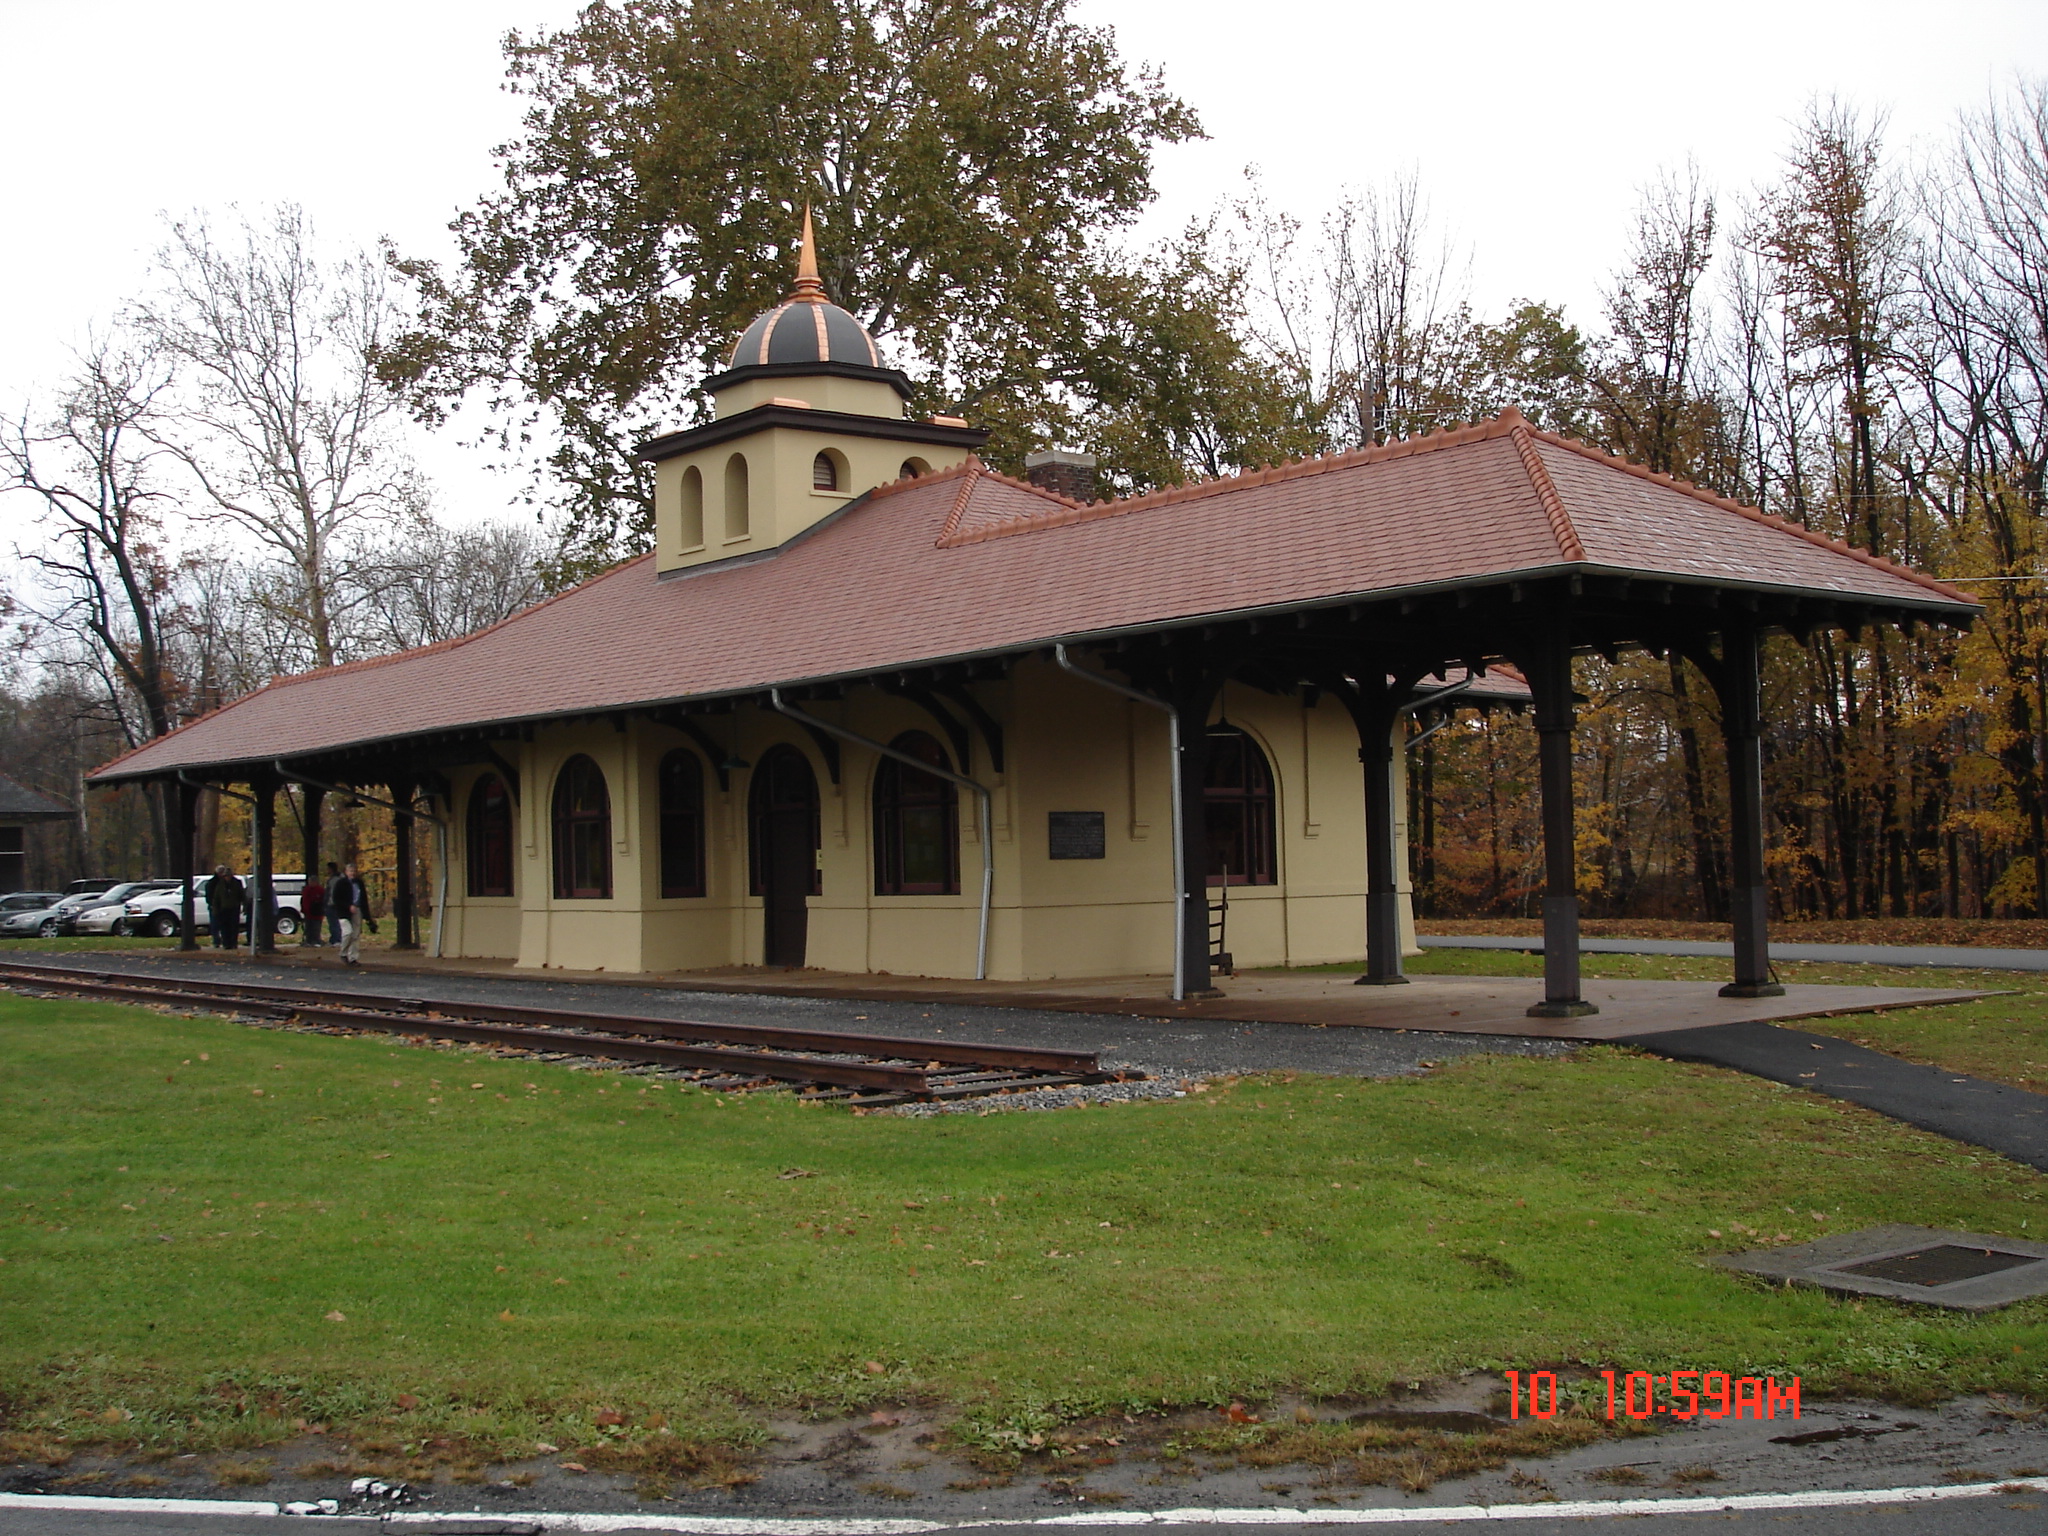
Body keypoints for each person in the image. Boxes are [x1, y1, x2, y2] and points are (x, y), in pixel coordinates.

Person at [331, 861, 369, 966]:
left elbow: (363, 899)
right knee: (348, 932)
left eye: (354, 871)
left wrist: (367, 916)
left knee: (356, 935)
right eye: (350, 871)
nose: (352, 873)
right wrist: (348, 906)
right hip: (343, 912)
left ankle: (353, 958)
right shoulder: (341, 883)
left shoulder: (359, 883)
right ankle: (343, 952)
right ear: (346, 872)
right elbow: (336, 899)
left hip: (357, 910)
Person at [203, 864, 245, 951]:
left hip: (234, 908)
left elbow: (241, 895)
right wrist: (215, 908)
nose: (227, 878)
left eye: (228, 876)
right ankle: (226, 943)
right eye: (226, 876)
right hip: (223, 908)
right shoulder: (220, 885)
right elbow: (216, 897)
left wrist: (243, 904)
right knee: (224, 927)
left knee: (234, 927)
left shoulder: (237, 883)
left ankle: (233, 943)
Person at [298, 871, 325, 946]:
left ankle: (314, 940)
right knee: (310, 927)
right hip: (310, 912)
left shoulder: (319, 890)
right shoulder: (308, 890)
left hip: (316, 912)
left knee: (315, 927)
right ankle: (310, 940)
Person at [323, 862, 344, 945]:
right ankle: (334, 938)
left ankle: (337, 939)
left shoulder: (334, 880)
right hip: (335, 903)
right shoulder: (339, 878)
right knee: (333, 922)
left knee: (334, 922)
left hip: (333, 904)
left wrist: (327, 901)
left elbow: (330, 892)